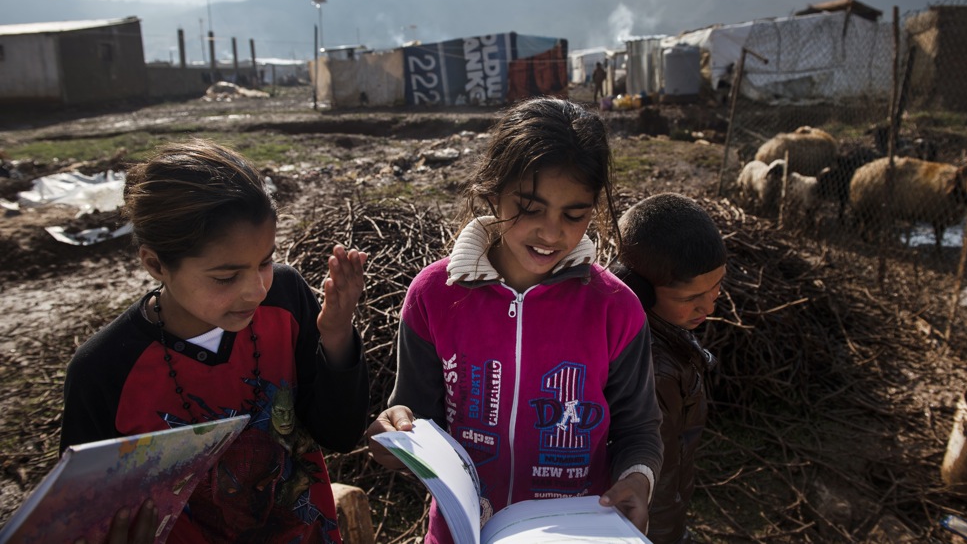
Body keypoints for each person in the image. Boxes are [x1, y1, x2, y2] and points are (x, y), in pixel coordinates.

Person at [366, 97, 663, 544]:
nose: (551, 232)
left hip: (576, 534)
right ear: (492, 192)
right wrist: (396, 436)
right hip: (461, 532)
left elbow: (638, 428)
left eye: (574, 214)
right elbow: (415, 413)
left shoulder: (615, 309)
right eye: (530, 207)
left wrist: (637, 480)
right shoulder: (433, 296)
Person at [60, 138, 370, 544]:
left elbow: (340, 434)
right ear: (156, 264)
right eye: (226, 277)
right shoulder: (104, 371)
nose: (256, 290)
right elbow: (80, 515)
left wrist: (336, 335)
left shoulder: (286, 299)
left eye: (265, 262)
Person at [612, 193, 727, 544]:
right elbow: (657, 481)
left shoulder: (666, 336)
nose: (708, 304)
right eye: (690, 298)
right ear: (637, 290)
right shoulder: (654, 373)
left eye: (717, 287)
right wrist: (667, 535)